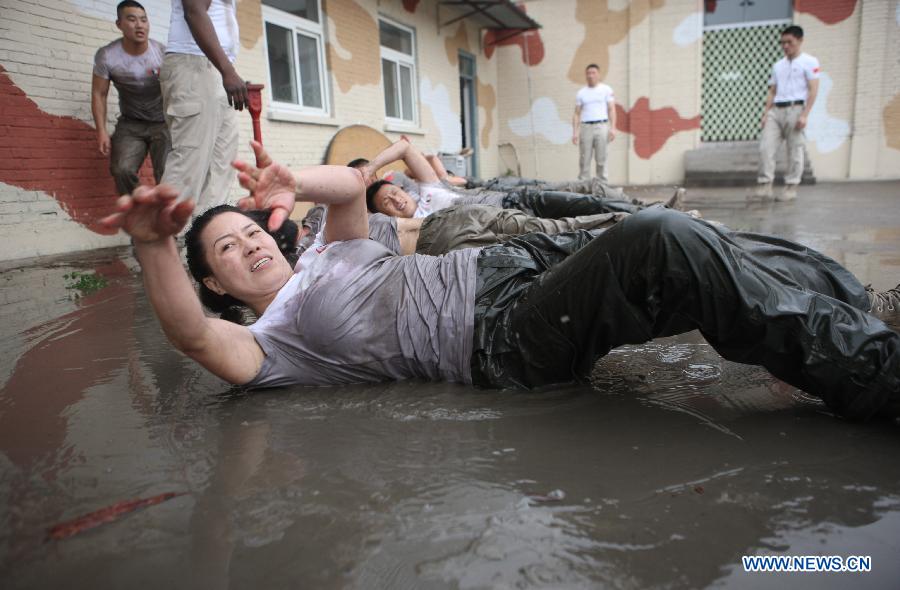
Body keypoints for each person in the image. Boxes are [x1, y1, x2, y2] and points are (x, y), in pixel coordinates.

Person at [100, 141, 900, 422]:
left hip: (509, 269)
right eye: (228, 250)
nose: (249, 244)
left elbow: (348, 188)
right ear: (215, 283)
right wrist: (153, 247)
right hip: (501, 337)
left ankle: (857, 305)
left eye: (249, 230)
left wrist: (292, 182)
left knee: (707, 247)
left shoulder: (325, 254)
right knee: (662, 238)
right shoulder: (268, 346)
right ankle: (877, 375)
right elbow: (190, 335)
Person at [356, 139, 655, 220]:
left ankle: (647, 211)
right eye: (387, 203)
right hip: (505, 223)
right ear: (384, 215)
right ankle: (643, 219)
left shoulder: (428, 189)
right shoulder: (411, 226)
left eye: (393, 192)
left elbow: (406, 147)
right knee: (585, 221)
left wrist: (371, 167)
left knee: (585, 202)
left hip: (512, 201)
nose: (395, 199)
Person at [160, 0, 247, 215]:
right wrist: (228, 71)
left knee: (222, 165)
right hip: (194, 64)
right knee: (190, 164)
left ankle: (205, 231)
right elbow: (194, 10)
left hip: (216, 68)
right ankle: (163, 234)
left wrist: (226, 69)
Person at [91, 1, 169, 196]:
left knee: (167, 175)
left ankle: (167, 211)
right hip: (131, 123)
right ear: (119, 24)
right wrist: (101, 131)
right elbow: (99, 93)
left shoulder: (162, 54)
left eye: (144, 20)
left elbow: (179, 90)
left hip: (164, 122)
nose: (139, 25)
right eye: (132, 19)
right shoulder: (107, 56)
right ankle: (139, 206)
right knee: (121, 169)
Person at [367, 204, 625, 256]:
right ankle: (629, 236)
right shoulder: (347, 258)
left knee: (550, 229)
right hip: (442, 249)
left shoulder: (357, 215)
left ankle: (626, 223)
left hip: (449, 219)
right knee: (543, 244)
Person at [754, 25, 820, 202]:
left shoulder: (810, 62)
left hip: (796, 109)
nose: (785, 46)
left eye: (789, 42)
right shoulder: (778, 65)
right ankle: (765, 186)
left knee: (794, 150)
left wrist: (805, 114)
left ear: (800, 40)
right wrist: (765, 113)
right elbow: (772, 91)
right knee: (766, 147)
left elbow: (813, 89)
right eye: (782, 42)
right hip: (776, 110)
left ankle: (791, 187)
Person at [573, 64, 616, 182]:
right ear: (586, 75)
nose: (591, 75)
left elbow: (611, 109)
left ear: (598, 74)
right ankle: (583, 185)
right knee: (584, 158)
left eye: (593, 73)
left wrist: (613, 128)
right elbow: (576, 113)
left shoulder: (606, 90)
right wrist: (575, 132)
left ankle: (602, 185)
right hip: (586, 127)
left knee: (602, 158)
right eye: (588, 73)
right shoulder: (581, 93)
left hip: (601, 126)